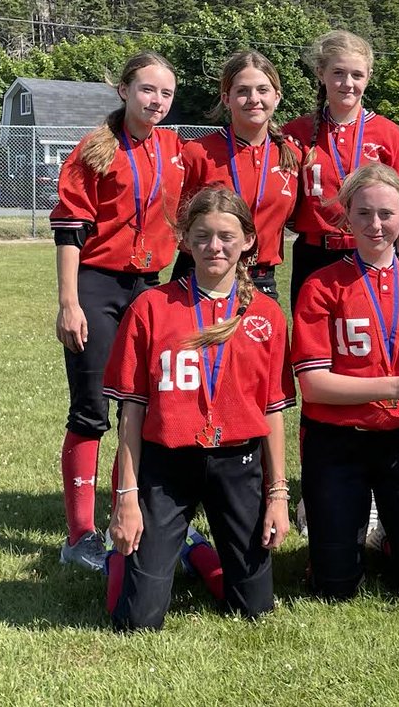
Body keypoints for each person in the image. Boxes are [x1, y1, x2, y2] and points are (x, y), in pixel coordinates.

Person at [102, 188, 293, 630]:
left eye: (227, 236)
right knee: (137, 620)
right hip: (166, 467)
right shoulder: (151, 307)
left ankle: (194, 551)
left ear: (248, 240)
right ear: (184, 240)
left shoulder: (265, 314)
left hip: (237, 463)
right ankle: (131, 557)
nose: (215, 247)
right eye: (202, 236)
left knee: (254, 610)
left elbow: (272, 410)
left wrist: (277, 495)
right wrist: (126, 499)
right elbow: (130, 414)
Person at [291, 163, 399, 600]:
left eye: (386, 213)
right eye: (363, 213)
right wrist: (398, 387)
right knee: (334, 587)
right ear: (346, 215)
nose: (375, 224)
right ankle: (340, 533)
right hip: (337, 440)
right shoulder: (322, 284)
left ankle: (386, 535)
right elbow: (315, 386)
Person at [51, 52, 185, 572]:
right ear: (124, 90)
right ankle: (79, 535)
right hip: (98, 285)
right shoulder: (96, 148)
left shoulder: (177, 149)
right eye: (147, 90)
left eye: (166, 94)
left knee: (147, 405)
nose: (156, 101)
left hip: (149, 289)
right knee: (91, 409)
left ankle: (132, 512)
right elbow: (69, 230)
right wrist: (69, 303)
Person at [284, 30, 399, 309]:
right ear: (321, 73)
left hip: (373, 252)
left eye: (357, 75)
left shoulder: (388, 133)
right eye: (338, 73)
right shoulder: (296, 132)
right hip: (314, 256)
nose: (348, 83)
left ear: (368, 76)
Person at [175, 50, 301, 299]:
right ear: (226, 98)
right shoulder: (198, 153)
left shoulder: (292, 155)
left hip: (262, 278)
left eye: (262, 90)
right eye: (242, 91)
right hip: (203, 273)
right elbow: (177, 221)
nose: (253, 99)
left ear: (277, 97)